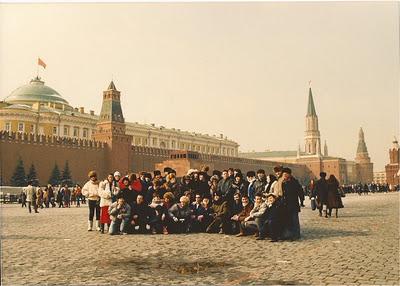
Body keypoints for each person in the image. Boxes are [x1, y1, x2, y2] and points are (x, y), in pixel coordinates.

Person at [281, 168, 304, 240]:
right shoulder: (283, 182)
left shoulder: (294, 182)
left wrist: (302, 201)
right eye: (283, 174)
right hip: (285, 204)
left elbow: (300, 192)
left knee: (294, 220)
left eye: (285, 174)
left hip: (293, 204)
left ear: (289, 174)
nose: (284, 175)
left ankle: (296, 235)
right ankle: (289, 234)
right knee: (288, 220)